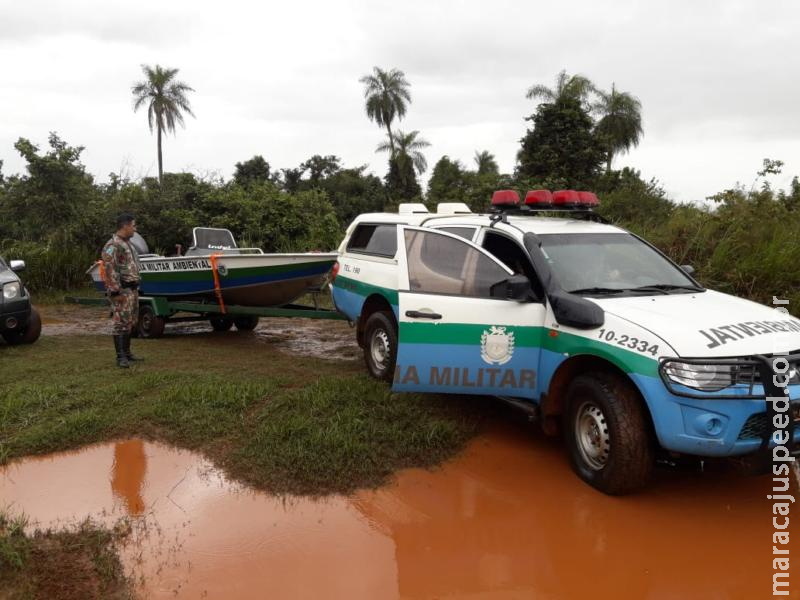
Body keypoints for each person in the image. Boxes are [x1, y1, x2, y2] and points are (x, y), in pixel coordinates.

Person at [101, 213, 143, 368]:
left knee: (130, 322)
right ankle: (120, 357)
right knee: (120, 323)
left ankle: (127, 353)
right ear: (125, 226)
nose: (135, 228)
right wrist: (114, 292)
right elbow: (109, 268)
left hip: (132, 289)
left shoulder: (127, 243)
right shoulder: (113, 245)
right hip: (122, 291)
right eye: (133, 225)